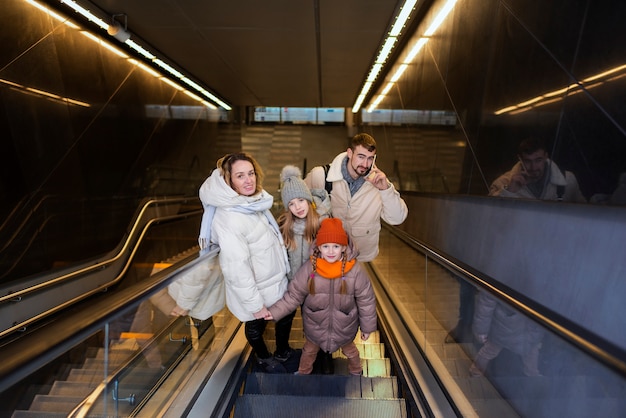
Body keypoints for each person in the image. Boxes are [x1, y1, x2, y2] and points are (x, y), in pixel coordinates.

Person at [197, 152, 292, 373]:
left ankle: (282, 351)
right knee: (255, 325)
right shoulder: (228, 217)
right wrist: (255, 304)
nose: (248, 180)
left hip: (271, 280)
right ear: (228, 181)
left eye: (251, 173)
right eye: (240, 176)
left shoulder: (251, 204)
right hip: (257, 289)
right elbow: (236, 267)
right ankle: (263, 357)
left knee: (286, 315)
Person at [265, 218, 377, 376]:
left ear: (343, 248)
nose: (330, 251)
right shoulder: (310, 268)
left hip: (344, 327)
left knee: (351, 351)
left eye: (336, 246)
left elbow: (366, 301)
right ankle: (304, 372)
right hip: (315, 326)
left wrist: (367, 328)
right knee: (309, 351)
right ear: (319, 247)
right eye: (325, 246)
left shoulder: (355, 271)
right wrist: (274, 312)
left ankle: (356, 371)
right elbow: (294, 294)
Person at [304, 132, 408, 262]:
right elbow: (297, 206)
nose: (365, 164)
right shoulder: (321, 175)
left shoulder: (379, 184)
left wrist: (386, 189)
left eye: (370, 158)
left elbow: (397, 218)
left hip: (362, 259)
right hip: (325, 257)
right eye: (361, 156)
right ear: (349, 153)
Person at [488, 137, 587, 202]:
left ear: (545, 157)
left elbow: (584, 213)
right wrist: (509, 191)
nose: (533, 167)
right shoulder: (503, 182)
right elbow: (488, 214)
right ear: (520, 159)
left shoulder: (567, 180)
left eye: (538, 160)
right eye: (527, 161)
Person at [277, 164, 331, 282]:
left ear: (308, 200)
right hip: (294, 286)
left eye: (301, 200)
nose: (297, 207)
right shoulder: (285, 227)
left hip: (318, 287)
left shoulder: (324, 223)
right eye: (291, 204)